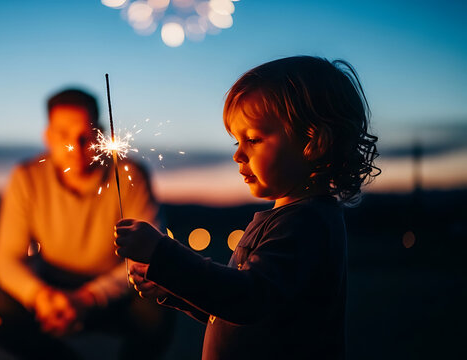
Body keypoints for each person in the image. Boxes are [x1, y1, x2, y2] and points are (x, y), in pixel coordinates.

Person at [115, 56, 380, 359]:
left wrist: (163, 253)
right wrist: (169, 284)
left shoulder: (306, 224)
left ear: (314, 143)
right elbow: (231, 306)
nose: (238, 155)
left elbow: (247, 298)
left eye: (253, 139)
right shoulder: (286, 219)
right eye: (236, 142)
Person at [0, 88, 173, 359]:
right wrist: (41, 297)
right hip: (51, 288)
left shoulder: (130, 176)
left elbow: (145, 259)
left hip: (115, 291)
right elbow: (6, 259)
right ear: (47, 136)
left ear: (101, 134)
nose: (76, 145)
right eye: (63, 134)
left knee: (158, 308)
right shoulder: (26, 178)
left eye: (86, 134)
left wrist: (88, 298)